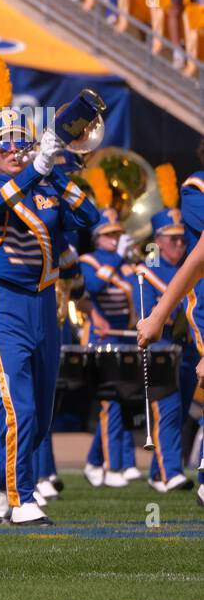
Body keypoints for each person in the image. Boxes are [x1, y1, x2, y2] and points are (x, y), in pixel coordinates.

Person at [0, 114, 98, 525]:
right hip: (6, 306)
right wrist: (37, 169)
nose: (12, 151)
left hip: (45, 305)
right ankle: (21, 497)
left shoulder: (44, 186)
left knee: (40, 416)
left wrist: (53, 167)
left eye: (19, 143)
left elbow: (88, 218)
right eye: (2, 145)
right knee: (18, 408)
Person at [134, 207, 195, 493]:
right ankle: (171, 472)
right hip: (161, 349)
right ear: (157, 240)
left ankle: (159, 473)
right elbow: (144, 311)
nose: (180, 244)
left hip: (188, 350)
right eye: (172, 239)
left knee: (182, 412)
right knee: (167, 411)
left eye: (182, 239)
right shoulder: (148, 269)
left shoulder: (192, 266)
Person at [80, 209, 140, 486]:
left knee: (124, 402)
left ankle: (110, 462)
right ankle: (111, 466)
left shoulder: (126, 263)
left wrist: (138, 261)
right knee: (110, 403)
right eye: (108, 234)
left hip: (125, 338)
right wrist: (118, 259)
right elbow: (93, 286)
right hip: (102, 341)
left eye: (117, 234)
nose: (114, 239)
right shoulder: (88, 260)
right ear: (96, 237)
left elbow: (140, 294)